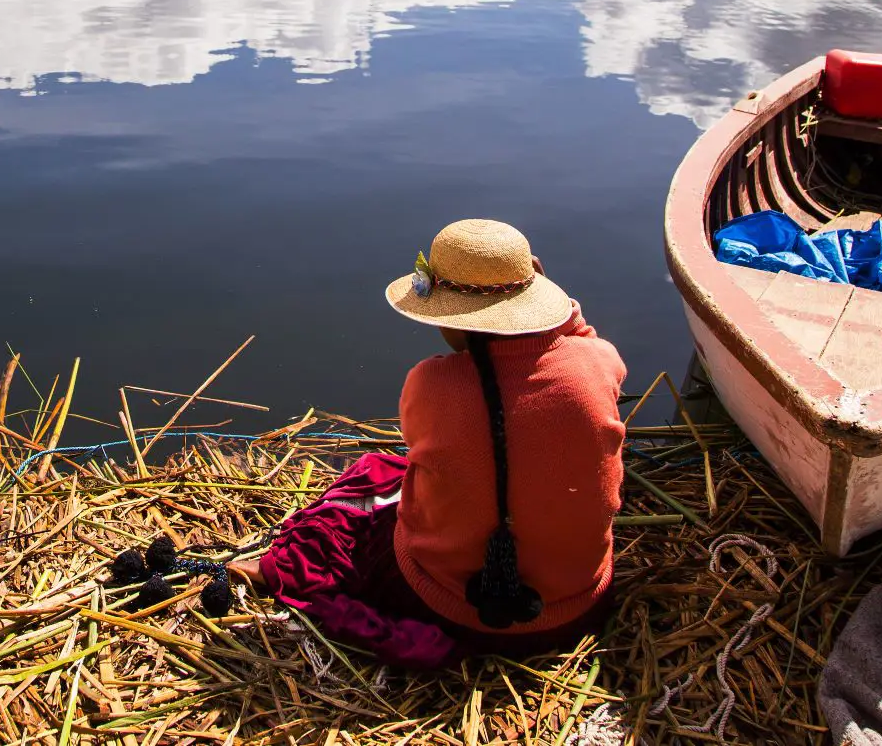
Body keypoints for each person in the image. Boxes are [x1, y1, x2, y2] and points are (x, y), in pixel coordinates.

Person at [233, 218, 627, 668]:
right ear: (531, 298)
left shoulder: (431, 383)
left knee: (368, 491)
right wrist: (559, 309)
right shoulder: (597, 362)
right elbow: (582, 342)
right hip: (577, 610)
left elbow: (432, 451)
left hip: (447, 610)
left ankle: (270, 568)